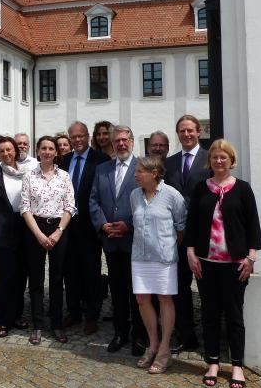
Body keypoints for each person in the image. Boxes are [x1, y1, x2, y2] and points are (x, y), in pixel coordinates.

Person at [185, 139, 261, 388]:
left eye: (224, 157)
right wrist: (191, 252)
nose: (219, 161)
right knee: (209, 314)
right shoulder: (201, 188)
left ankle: (237, 364)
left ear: (231, 160)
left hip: (235, 264)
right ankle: (213, 362)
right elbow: (192, 223)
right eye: (215, 157)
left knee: (234, 314)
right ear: (210, 161)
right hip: (206, 263)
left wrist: (251, 257)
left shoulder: (242, 189)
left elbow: (253, 224)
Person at [89, 125, 145, 356]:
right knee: (118, 289)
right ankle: (120, 332)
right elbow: (93, 200)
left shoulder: (143, 167)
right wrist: (103, 225)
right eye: (117, 141)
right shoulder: (102, 169)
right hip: (111, 241)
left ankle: (139, 336)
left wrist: (129, 224)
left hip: (134, 239)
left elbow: (148, 201)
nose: (121, 144)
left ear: (132, 141)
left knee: (137, 291)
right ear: (112, 144)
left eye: (125, 140)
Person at [130, 156, 187, 374]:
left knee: (164, 299)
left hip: (163, 258)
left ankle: (165, 350)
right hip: (140, 256)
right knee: (142, 299)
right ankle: (152, 344)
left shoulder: (172, 195)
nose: (135, 175)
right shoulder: (135, 195)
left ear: (154, 173)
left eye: (139, 171)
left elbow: (181, 226)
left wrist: (167, 245)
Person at [21, 135, 77, 345]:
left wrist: (58, 232)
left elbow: (70, 206)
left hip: (58, 228)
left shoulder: (64, 176)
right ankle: (37, 325)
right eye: (43, 148)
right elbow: (25, 207)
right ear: (38, 151)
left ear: (56, 153)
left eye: (50, 148)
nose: (46, 152)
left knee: (56, 278)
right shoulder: (29, 176)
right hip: (35, 228)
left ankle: (56, 324)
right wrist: (38, 234)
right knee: (36, 279)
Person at [164, 114, 211, 352]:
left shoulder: (210, 159)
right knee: (180, 288)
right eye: (182, 131)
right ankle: (186, 335)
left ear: (199, 132)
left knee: (206, 288)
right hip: (177, 236)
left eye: (190, 130)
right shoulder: (170, 163)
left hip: (204, 234)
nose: (186, 135)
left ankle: (211, 336)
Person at [60, 121, 110, 334]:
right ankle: (73, 311)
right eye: (74, 137)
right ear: (70, 139)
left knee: (91, 271)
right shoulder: (64, 160)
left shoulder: (101, 160)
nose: (78, 140)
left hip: (90, 225)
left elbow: (104, 193)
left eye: (81, 136)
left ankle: (91, 315)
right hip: (67, 224)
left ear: (88, 137)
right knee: (69, 270)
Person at [0, 136, 30, 337]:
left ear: (15, 151)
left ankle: (16, 316)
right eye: (2, 151)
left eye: (9, 150)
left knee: (21, 277)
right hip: (1, 232)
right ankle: (1, 319)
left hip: (25, 231)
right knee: (5, 278)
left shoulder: (27, 174)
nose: (6, 154)